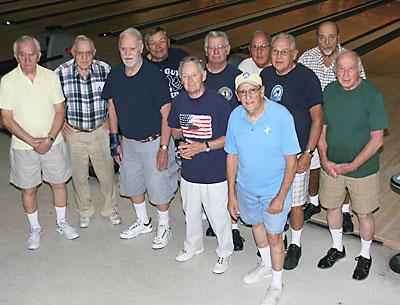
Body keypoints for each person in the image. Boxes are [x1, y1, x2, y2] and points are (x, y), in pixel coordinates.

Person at [225, 72, 299, 305]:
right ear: (237, 97)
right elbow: (232, 156)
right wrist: (231, 194)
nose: (248, 97)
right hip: (246, 187)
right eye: (243, 92)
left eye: (252, 90)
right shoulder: (235, 116)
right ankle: (266, 264)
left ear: (262, 91)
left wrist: (281, 196)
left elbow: (291, 160)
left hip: (274, 189)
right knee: (256, 225)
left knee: (275, 236)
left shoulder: (281, 116)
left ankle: (277, 284)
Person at [0, 35, 79, 250]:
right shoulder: (7, 81)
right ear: (16, 56)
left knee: (59, 183)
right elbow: (6, 118)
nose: (27, 59)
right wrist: (33, 141)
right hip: (23, 147)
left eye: (31, 54)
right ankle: (34, 228)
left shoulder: (51, 77)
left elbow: (60, 110)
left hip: (53, 142)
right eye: (22, 55)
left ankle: (61, 222)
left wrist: (50, 138)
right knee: (28, 189)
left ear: (39, 55)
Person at [101, 27, 178, 249]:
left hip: (154, 142)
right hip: (129, 142)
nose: (127, 53)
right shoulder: (115, 75)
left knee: (159, 187)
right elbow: (112, 108)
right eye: (123, 48)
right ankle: (143, 221)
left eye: (132, 48)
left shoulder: (154, 76)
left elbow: (167, 114)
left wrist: (164, 148)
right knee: (132, 185)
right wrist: (114, 142)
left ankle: (164, 225)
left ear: (141, 49)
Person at [317, 50, 388, 280]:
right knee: (332, 208)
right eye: (341, 68)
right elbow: (322, 129)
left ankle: (365, 255)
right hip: (332, 167)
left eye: (350, 68)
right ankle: (338, 248)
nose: (345, 74)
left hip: (363, 170)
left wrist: (352, 165)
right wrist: (325, 159)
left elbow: (377, 139)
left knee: (364, 213)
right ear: (335, 71)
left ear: (359, 69)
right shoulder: (329, 91)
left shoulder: (371, 94)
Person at [260, 33, 323, 270]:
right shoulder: (265, 75)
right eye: (275, 51)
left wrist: (308, 152)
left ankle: (295, 244)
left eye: (284, 52)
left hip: (296, 154)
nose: (278, 56)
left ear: (294, 54)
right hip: (270, 153)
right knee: (273, 197)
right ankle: (279, 236)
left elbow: (317, 119)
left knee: (296, 203)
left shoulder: (307, 78)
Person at [298, 21, 366, 233]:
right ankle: (314, 201)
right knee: (313, 165)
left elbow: (360, 91)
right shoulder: (306, 58)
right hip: (313, 124)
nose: (326, 42)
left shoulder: (350, 59)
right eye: (321, 37)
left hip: (340, 125)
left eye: (331, 37)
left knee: (339, 169)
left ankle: (345, 211)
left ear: (338, 37)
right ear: (316, 38)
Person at [169, 56, 234, 273]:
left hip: (215, 172)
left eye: (194, 75)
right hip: (189, 171)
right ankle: (193, 245)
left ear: (203, 75)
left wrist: (203, 146)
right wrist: (180, 145)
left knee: (218, 215)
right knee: (191, 211)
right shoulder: (179, 101)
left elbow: (230, 138)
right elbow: (175, 128)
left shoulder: (218, 102)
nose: (189, 80)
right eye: (185, 76)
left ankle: (225, 251)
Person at [55, 35, 121, 229]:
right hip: (74, 133)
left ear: (94, 53)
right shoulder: (61, 73)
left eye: (88, 53)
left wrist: (111, 120)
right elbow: (52, 103)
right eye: (80, 53)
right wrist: (59, 124)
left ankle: (110, 208)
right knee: (79, 176)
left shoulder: (104, 69)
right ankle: (85, 210)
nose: (84, 57)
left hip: (100, 130)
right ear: (73, 52)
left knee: (106, 173)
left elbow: (113, 100)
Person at [203, 30, 244, 250]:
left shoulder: (236, 76)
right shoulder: (199, 75)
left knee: (231, 186)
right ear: (206, 50)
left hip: (230, 143)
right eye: (212, 47)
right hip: (204, 143)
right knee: (210, 186)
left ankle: (234, 229)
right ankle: (214, 220)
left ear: (228, 50)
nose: (216, 52)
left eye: (220, 47)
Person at [144, 27, 189, 99]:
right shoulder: (141, 66)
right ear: (147, 47)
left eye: (162, 42)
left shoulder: (181, 56)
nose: (158, 47)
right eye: (152, 43)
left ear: (168, 42)